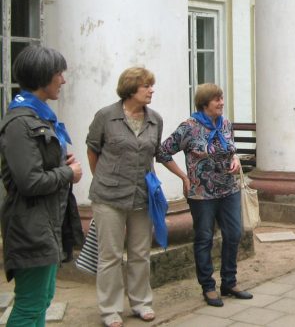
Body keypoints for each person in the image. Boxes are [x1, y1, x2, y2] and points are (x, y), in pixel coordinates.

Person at [0, 46, 83, 326]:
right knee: (29, 306)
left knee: (42, 300)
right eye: (59, 73)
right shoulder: (20, 122)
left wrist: (60, 160)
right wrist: (67, 172)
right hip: (30, 226)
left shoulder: (39, 117)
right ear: (43, 76)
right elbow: (29, 181)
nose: (63, 80)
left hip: (45, 223)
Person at [158, 83, 253, 307]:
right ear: (204, 103)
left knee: (233, 234)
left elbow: (231, 150)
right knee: (204, 238)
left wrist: (236, 160)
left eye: (221, 98)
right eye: (216, 99)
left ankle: (229, 282)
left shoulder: (226, 124)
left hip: (228, 189)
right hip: (201, 194)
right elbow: (162, 152)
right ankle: (208, 287)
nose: (221, 103)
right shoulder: (189, 127)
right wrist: (183, 176)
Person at [87, 67, 163, 327]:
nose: (152, 90)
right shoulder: (106, 117)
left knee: (140, 252)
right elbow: (93, 149)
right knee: (110, 255)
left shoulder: (155, 120)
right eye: (147, 86)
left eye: (152, 86)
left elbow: (153, 154)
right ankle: (110, 310)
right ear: (131, 88)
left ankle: (141, 302)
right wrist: (102, 179)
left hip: (142, 196)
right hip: (108, 196)